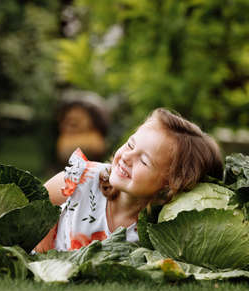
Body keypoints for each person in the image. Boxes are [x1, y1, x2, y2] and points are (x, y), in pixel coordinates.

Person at [34, 107, 223, 252]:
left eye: (144, 160)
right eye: (131, 144)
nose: (127, 157)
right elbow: (35, 208)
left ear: (170, 184)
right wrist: (43, 259)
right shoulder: (83, 178)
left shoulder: (158, 231)